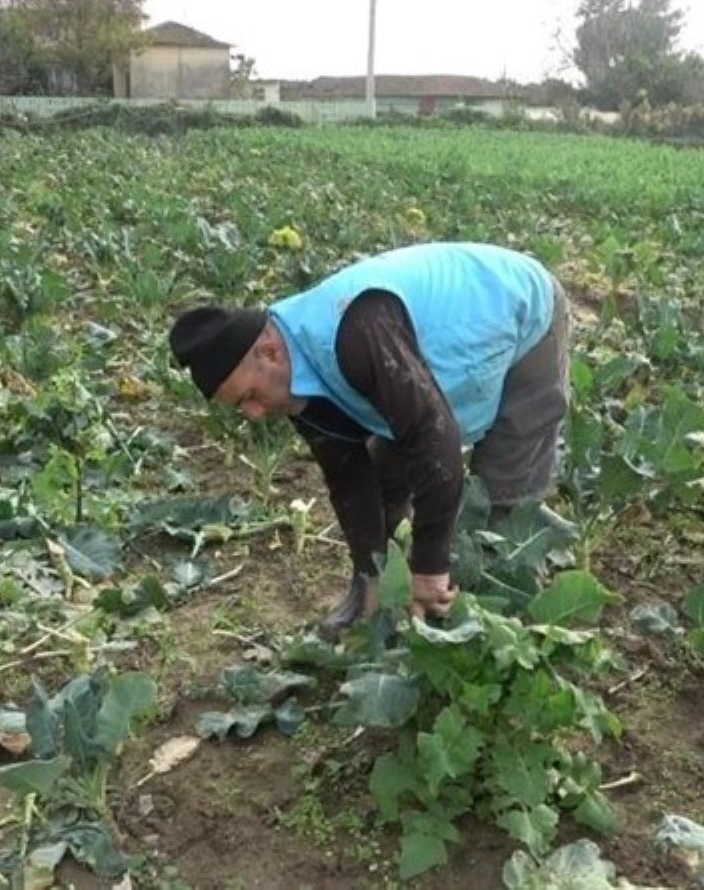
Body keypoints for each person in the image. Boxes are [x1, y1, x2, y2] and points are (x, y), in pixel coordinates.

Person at [167, 241, 571, 635]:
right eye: (241, 408)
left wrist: (429, 566)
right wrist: (368, 579)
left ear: (270, 352)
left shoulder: (356, 331)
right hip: (423, 365)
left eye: (249, 397)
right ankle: (386, 593)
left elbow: (434, 438)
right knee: (385, 475)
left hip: (518, 308)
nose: (253, 414)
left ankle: (509, 617)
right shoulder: (293, 372)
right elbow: (348, 476)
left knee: (505, 490)